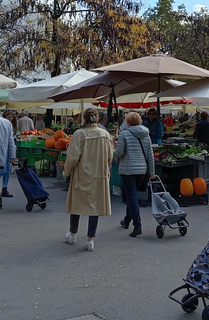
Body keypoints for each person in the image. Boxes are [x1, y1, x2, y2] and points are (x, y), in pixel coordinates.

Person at [63, 108, 113, 252]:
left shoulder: (79, 134)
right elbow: (110, 156)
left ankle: (72, 234)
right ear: (97, 118)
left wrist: (66, 171)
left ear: (84, 119)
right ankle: (90, 240)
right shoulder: (105, 134)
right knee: (95, 207)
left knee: (76, 205)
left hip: (82, 174)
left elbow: (72, 156)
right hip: (99, 174)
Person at [114, 111, 155, 238]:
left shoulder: (124, 134)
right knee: (132, 196)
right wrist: (152, 172)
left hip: (127, 170)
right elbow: (150, 156)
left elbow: (119, 154)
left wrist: (114, 148)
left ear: (128, 121)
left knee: (131, 196)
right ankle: (126, 220)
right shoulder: (146, 134)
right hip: (142, 170)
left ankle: (137, 225)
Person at [0, 110, 18, 197]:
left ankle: (4, 188)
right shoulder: (4, 125)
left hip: (9, 149)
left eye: (11, 117)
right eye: (8, 117)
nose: (10, 119)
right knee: (4, 169)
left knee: (7, 171)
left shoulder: (12, 126)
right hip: (4, 149)